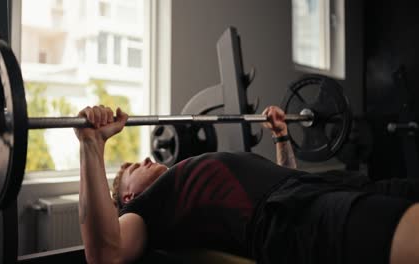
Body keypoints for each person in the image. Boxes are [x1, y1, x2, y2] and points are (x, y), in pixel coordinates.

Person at [75, 105, 419, 264]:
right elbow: (106, 253)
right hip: (289, 219)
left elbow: (287, 178)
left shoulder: (184, 174)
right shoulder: (146, 209)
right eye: (136, 166)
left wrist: (282, 139)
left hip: (317, 189)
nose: (147, 159)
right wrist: (92, 146)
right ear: (129, 196)